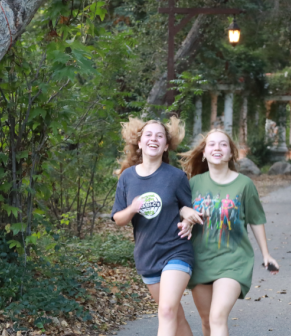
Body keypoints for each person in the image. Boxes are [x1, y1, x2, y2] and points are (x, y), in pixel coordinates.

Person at [179, 129, 279, 336]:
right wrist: (186, 217)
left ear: (232, 153)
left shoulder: (244, 184)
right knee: (207, 322)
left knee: (217, 317)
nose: (217, 148)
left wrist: (266, 254)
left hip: (234, 261)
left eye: (223, 144)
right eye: (212, 144)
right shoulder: (193, 184)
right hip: (200, 260)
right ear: (204, 153)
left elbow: (256, 220)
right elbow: (181, 212)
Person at [111, 117, 202, 336]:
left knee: (167, 310)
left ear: (166, 145)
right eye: (148, 135)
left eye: (159, 135)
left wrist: (188, 217)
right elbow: (118, 219)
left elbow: (186, 208)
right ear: (140, 143)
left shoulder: (176, 176)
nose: (154, 139)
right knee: (174, 314)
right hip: (147, 255)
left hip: (176, 250)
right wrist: (132, 209)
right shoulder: (127, 178)